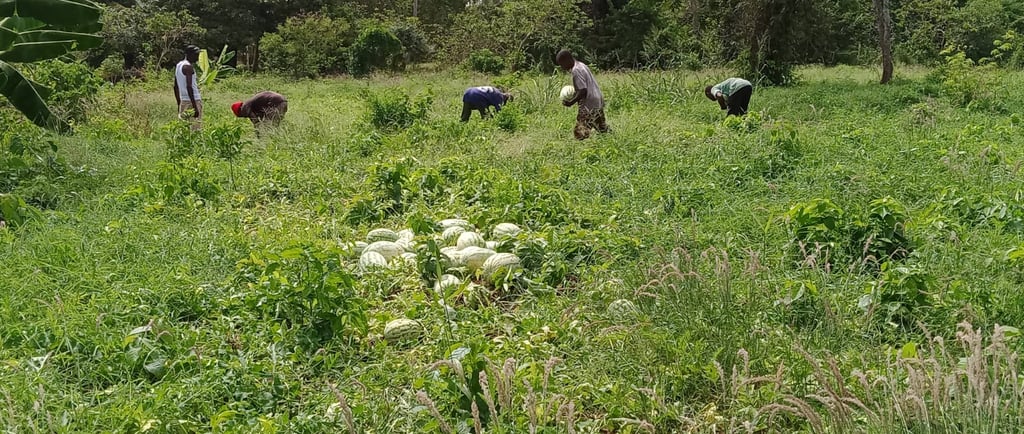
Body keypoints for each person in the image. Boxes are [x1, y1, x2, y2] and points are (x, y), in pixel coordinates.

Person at [556, 50, 608, 140]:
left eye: (562, 64)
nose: (562, 67)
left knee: (580, 133)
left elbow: (583, 90)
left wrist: (570, 102)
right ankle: (613, 141)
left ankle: (582, 150)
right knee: (602, 129)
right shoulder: (581, 65)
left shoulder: (576, 71)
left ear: (567, 60)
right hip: (597, 100)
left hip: (589, 104)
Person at [174, 45, 202, 130]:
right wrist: (194, 106)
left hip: (184, 101)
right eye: (196, 54)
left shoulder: (179, 65)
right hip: (193, 100)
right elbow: (189, 87)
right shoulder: (188, 67)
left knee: (184, 129)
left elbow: (175, 86)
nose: (197, 57)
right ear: (189, 54)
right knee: (195, 129)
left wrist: (179, 102)